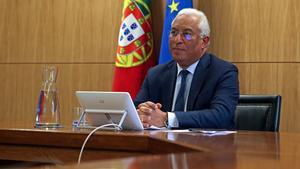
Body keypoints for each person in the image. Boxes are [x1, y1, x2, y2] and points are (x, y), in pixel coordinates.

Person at [134, 8, 239, 129]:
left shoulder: (223, 72)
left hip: (206, 145)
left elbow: (222, 116)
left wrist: (167, 118)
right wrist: (144, 111)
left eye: (187, 34)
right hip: (162, 144)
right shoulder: (156, 74)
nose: (177, 40)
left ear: (204, 42)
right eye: (173, 32)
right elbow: (136, 109)